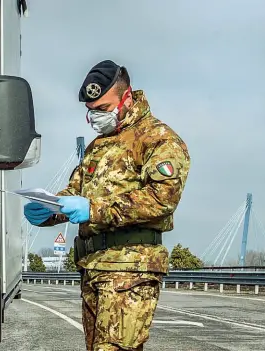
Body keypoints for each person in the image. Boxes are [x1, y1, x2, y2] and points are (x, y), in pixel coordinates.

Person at [23, 59, 191, 351]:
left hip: (130, 269)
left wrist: (93, 209)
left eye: (102, 109)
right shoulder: (100, 145)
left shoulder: (159, 139)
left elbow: (161, 199)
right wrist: (49, 209)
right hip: (94, 267)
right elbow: (75, 193)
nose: (95, 118)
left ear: (127, 97)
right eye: (91, 112)